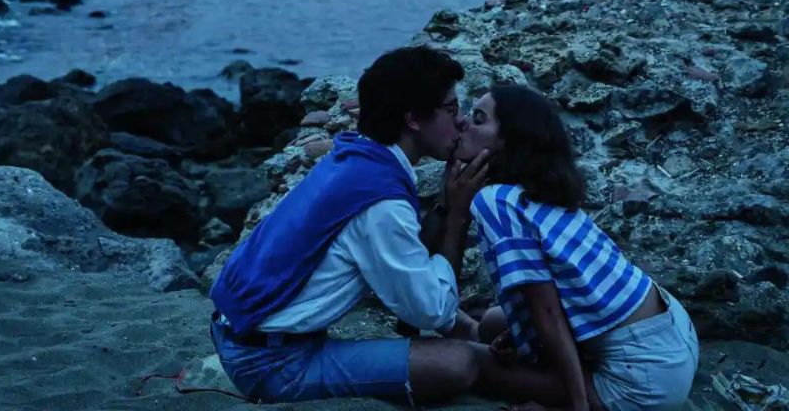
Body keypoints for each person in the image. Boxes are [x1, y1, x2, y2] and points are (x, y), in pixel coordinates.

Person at [208, 45, 495, 405]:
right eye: (451, 109)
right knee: (461, 362)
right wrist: (457, 216)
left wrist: (464, 324)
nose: (461, 122)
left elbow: (411, 268)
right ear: (413, 119)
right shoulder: (381, 202)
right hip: (271, 363)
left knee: (470, 331)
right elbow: (430, 310)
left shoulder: (356, 156)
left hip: (239, 334)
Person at [460, 84, 700, 411]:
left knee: (478, 366)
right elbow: (563, 293)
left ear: (509, 140)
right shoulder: (540, 193)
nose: (462, 123)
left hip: (643, 374)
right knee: (491, 324)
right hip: (673, 332)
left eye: (477, 118)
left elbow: (546, 310)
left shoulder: (496, 200)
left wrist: (577, 403)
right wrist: (522, 340)